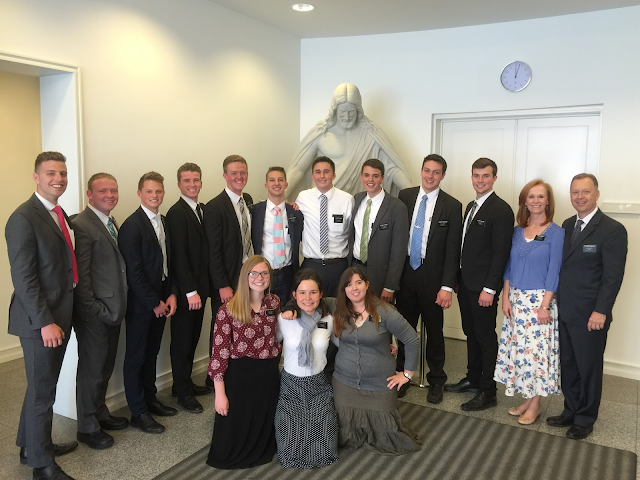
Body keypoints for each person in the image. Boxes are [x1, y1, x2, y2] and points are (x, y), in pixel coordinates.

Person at [6, 151, 78, 480]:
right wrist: (45, 321)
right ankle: (42, 465)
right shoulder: (23, 217)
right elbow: (24, 278)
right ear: (36, 177)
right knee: (42, 394)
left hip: (59, 313)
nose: (58, 179)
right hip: (40, 320)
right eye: (51, 173)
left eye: (62, 173)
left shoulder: (58, 214)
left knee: (40, 387)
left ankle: (31, 445)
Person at [546, 173, 627, 440]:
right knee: (568, 364)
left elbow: (612, 277)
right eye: (575, 192)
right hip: (565, 310)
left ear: (597, 194)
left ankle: (585, 418)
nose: (580, 197)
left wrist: (601, 311)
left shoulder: (612, 230)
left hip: (591, 314)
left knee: (588, 367)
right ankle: (570, 410)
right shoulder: (568, 224)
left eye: (585, 191)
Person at [445, 158, 514, 411]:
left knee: (485, 338)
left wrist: (490, 289)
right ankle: (473, 379)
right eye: (476, 175)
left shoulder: (501, 210)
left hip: (483, 288)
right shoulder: (471, 206)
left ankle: (488, 391)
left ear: (494, 178)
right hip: (466, 284)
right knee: (471, 333)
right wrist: (457, 280)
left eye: (485, 176)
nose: (480, 180)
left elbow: (500, 253)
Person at [493, 179, 564, 425]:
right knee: (520, 353)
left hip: (540, 302)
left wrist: (545, 306)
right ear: (524, 201)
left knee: (537, 355)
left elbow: (554, 272)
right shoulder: (516, 232)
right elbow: (509, 267)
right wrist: (505, 297)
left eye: (540, 196)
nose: (535, 201)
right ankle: (527, 399)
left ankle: (535, 404)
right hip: (516, 300)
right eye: (531, 196)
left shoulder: (556, 233)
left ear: (548, 201)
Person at [332, 267, 420, 454]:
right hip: (345, 382)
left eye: (358, 282)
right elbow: (307, 299)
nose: (354, 288)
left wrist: (407, 374)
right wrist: (290, 307)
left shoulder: (385, 311)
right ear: (343, 289)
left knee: (388, 436)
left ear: (367, 285)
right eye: (349, 284)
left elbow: (412, 340)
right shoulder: (337, 307)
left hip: (380, 383)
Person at [396, 154, 462, 403]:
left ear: (443, 175)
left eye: (436, 172)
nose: (430, 176)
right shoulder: (404, 196)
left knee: (434, 331)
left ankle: (436, 380)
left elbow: (453, 250)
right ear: (421, 170)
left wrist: (447, 286)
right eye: (427, 170)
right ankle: (403, 375)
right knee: (404, 329)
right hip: (406, 272)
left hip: (433, 277)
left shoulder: (452, 205)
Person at [207, 255, 281, 469]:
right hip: (240, 376)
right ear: (244, 276)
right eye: (254, 273)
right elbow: (218, 354)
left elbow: (280, 335)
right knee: (231, 436)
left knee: (263, 420)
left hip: (267, 374)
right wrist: (219, 394)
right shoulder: (228, 310)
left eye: (264, 273)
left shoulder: (274, 302)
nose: (260, 278)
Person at [72, 173, 129, 450]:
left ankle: (99, 412)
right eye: (103, 190)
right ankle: (87, 427)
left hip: (114, 310)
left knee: (104, 368)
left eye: (113, 190)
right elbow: (80, 275)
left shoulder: (109, 222)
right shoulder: (81, 225)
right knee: (91, 371)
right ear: (89, 195)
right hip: (95, 313)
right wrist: (92, 310)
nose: (110, 195)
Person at [119, 172, 178, 434]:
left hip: (162, 298)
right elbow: (134, 273)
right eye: (149, 191)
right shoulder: (132, 226)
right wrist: (154, 302)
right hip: (142, 304)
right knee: (136, 356)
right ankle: (138, 411)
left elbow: (168, 262)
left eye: (158, 191)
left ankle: (150, 399)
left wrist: (172, 293)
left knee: (152, 353)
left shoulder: (163, 221)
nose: (154, 195)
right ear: (139, 193)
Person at [286, 83, 412, 198]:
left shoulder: (371, 134)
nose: (346, 117)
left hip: (359, 204)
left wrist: (413, 195)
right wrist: (280, 198)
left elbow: (393, 168)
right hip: (325, 202)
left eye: (351, 112)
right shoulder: (321, 133)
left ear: (358, 110)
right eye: (342, 112)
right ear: (335, 110)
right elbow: (298, 169)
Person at [275, 269, 338, 469]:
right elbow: (268, 345)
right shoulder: (284, 319)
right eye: (302, 292)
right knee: (289, 442)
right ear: (294, 294)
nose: (308, 298)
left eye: (313, 292)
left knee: (327, 438)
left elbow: (347, 344)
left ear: (321, 294)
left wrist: (381, 347)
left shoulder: (328, 320)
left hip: (319, 385)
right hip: (290, 386)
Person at [203, 155, 254, 385]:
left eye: (242, 172)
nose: (239, 177)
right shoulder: (215, 207)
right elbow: (213, 251)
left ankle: (237, 373)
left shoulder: (248, 201)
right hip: (227, 280)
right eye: (234, 173)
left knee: (243, 326)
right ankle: (215, 378)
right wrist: (222, 285)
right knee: (221, 330)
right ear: (225, 176)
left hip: (248, 276)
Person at [166, 163, 211, 414]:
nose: (192, 184)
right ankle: (183, 392)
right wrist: (190, 291)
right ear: (179, 184)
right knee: (182, 341)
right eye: (187, 181)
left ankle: (182, 383)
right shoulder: (176, 213)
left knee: (193, 337)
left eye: (196, 180)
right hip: (187, 292)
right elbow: (179, 256)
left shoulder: (200, 210)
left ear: (201, 182)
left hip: (200, 289)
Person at [348, 158, 408, 302]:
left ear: (382, 178)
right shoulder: (356, 199)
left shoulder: (397, 207)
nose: (370, 180)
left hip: (380, 276)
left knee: (377, 314)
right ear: (361, 177)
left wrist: (390, 286)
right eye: (367, 175)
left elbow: (398, 251)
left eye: (375, 176)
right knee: (354, 312)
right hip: (355, 269)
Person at [295, 156, 354, 297]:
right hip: (311, 265)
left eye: (326, 172)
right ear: (312, 176)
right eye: (318, 172)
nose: (322, 176)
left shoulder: (347, 199)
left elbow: (352, 232)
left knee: (339, 306)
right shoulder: (303, 197)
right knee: (310, 305)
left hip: (338, 267)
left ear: (333, 175)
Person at [251, 167, 304, 305]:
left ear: (286, 184)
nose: (276, 183)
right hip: (262, 275)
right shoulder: (255, 212)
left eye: (280, 180)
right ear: (266, 185)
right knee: (262, 312)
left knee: (287, 312)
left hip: (288, 274)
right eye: (272, 180)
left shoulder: (295, 212)